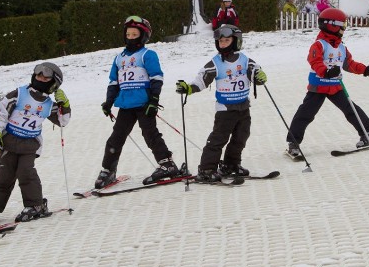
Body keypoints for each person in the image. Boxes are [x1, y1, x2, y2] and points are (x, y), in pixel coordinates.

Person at [285, 7, 369, 159]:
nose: (344, 29)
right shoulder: (319, 45)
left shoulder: (342, 47)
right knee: (306, 113)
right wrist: (325, 72)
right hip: (318, 86)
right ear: (332, 25)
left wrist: (366, 69)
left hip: (336, 87)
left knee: (351, 109)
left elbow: (349, 64)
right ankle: (293, 143)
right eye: (342, 26)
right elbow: (314, 61)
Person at [95, 16, 181, 187]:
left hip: (144, 104)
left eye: (135, 34)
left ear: (143, 36)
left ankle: (167, 164)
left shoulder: (147, 55)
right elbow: (114, 82)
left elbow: (156, 77)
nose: (130, 37)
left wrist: (154, 100)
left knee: (150, 134)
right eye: (128, 34)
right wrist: (109, 102)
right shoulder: (119, 58)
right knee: (115, 138)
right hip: (126, 105)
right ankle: (108, 170)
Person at [175, 25, 268, 182]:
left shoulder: (245, 60)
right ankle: (206, 169)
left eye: (227, 40)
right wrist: (189, 88)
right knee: (218, 139)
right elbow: (202, 79)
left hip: (243, 107)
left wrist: (259, 76)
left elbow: (255, 71)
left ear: (236, 41)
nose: (223, 44)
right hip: (225, 109)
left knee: (241, 137)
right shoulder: (215, 63)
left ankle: (230, 164)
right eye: (220, 41)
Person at [0, 62, 70, 226]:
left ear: (53, 83)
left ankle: (35, 205)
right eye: (39, 75)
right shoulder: (20, 94)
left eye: (46, 78)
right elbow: (2, 112)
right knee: (4, 176)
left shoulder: (48, 104)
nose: (41, 79)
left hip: (30, 144)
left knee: (26, 172)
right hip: (9, 142)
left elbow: (62, 121)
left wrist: (64, 105)